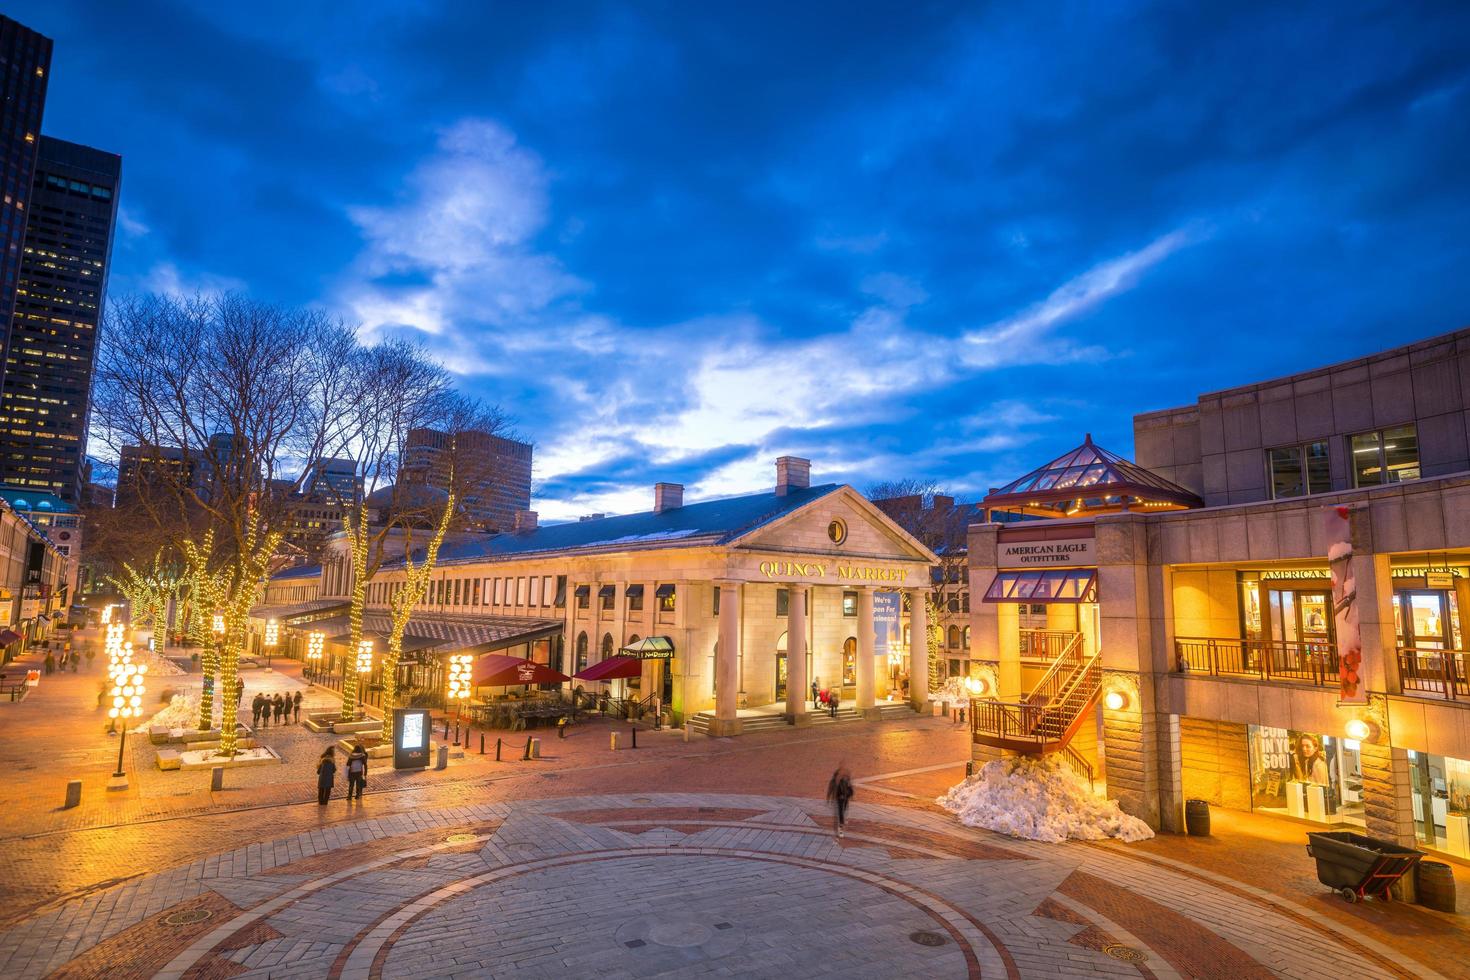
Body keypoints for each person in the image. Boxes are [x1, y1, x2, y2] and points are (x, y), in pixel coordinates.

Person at [826, 765, 854, 838]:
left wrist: (849, 795)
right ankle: (840, 828)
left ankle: (842, 822)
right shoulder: (834, 782)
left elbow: (851, 790)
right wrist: (829, 798)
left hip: (845, 799)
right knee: (840, 813)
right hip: (838, 800)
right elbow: (830, 790)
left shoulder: (845, 782)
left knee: (844, 811)